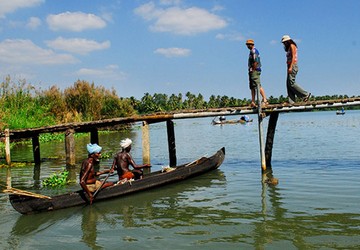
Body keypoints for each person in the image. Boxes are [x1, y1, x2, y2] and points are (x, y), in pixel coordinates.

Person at [281, 35, 311, 104]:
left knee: (291, 82)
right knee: (288, 83)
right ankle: (291, 101)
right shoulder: (289, 48)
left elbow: (294, 56)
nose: (284, 43)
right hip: (289, 66)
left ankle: (305, 94)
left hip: (293, 65)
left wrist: (291, 67)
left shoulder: (292, 45)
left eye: (285, 42)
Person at [246, 39, 268, 108]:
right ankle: (253, 101)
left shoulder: (254, 51)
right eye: (247, 44)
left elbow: (256, 61)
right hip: (251, 70)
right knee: (252, 86)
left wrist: (253, 69)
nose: (247, 46)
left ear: (252, 45)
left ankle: (264, 99)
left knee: (257, 85)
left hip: (255, 70)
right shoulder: (251, 51)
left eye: (248, 44)